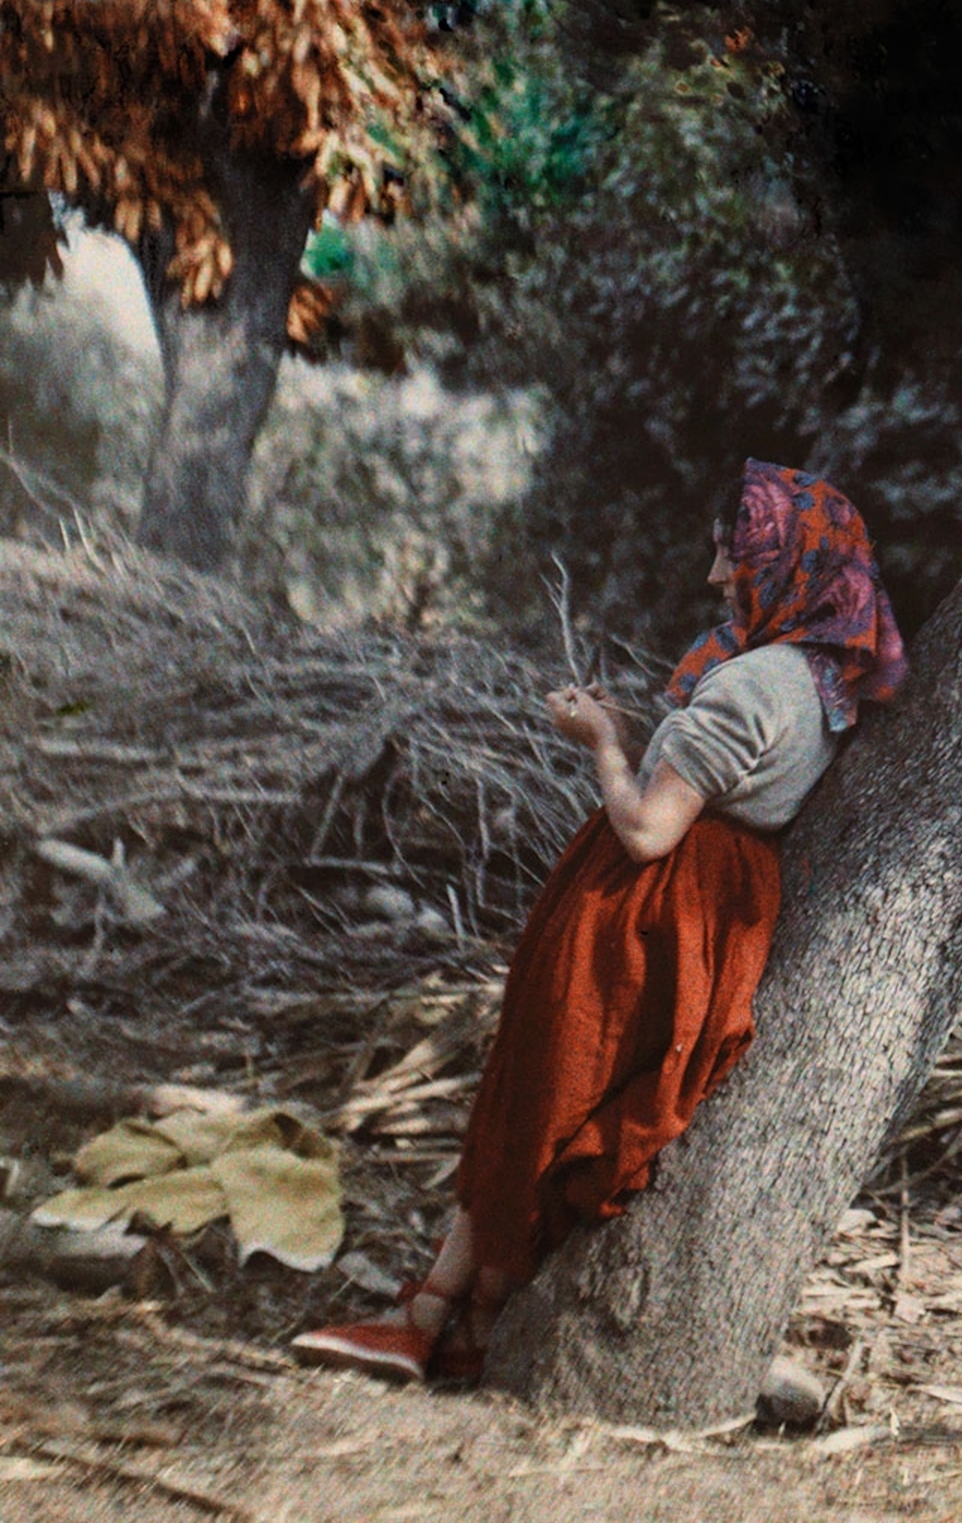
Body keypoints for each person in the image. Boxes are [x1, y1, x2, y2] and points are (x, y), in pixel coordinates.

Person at [293, 457, 906, 1385]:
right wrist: (644, 726)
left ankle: (429, 1317)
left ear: (783, 562)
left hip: (640, 910)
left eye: (729, 558)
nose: (714, 577)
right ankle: (469, 1320)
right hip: (713, 914)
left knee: (533, 1095)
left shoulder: (750, 685)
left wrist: (606, 745)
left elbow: (651, 827)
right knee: (548, 1099)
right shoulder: (823, 684)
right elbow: (718, 764)